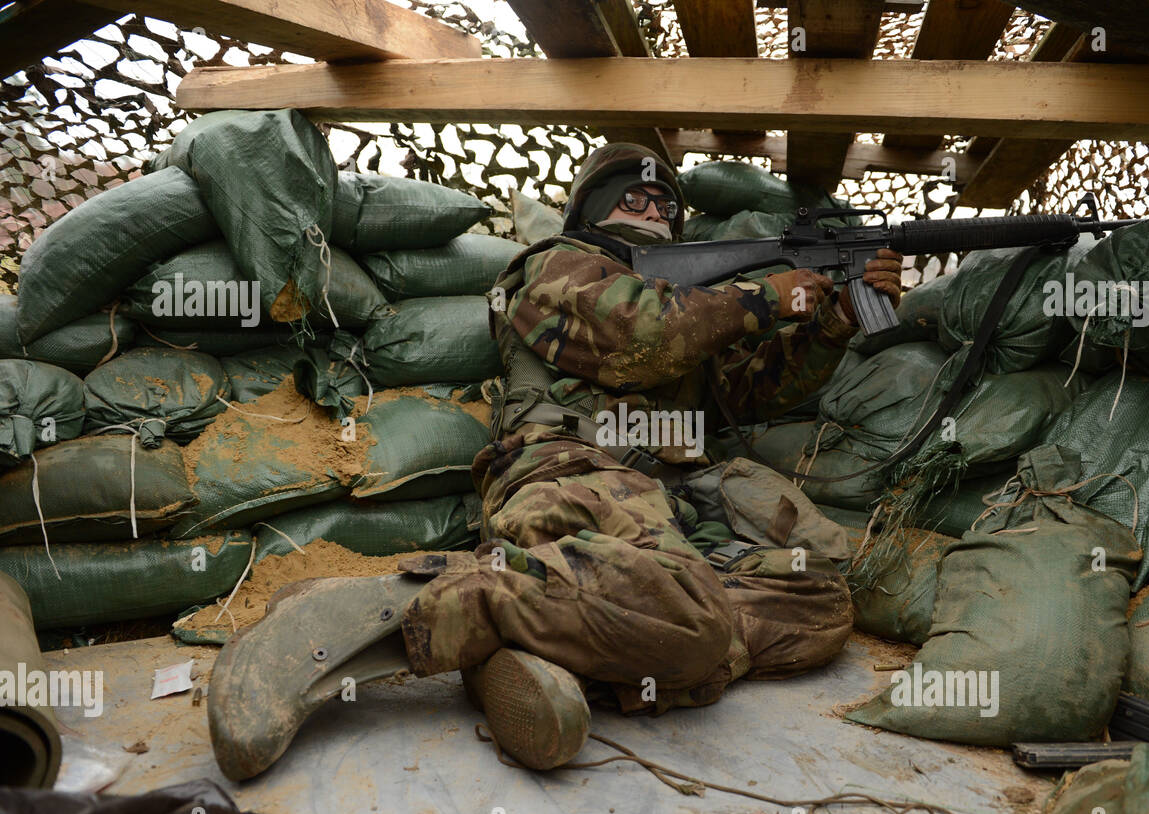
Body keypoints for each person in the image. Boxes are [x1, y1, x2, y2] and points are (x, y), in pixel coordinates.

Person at [207, 143, 904, 781]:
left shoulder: (696, 315)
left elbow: (748, 391)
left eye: (667, 205)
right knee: (698, 620)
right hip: (568, 478)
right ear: (591, 211)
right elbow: (643, 334)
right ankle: (393, 612)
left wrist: (834, 318)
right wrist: (765, 296)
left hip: (666, 509)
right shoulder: (550, 269)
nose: (655, 211)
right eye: (635, 198)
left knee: (819, 603)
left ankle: (547, 649)